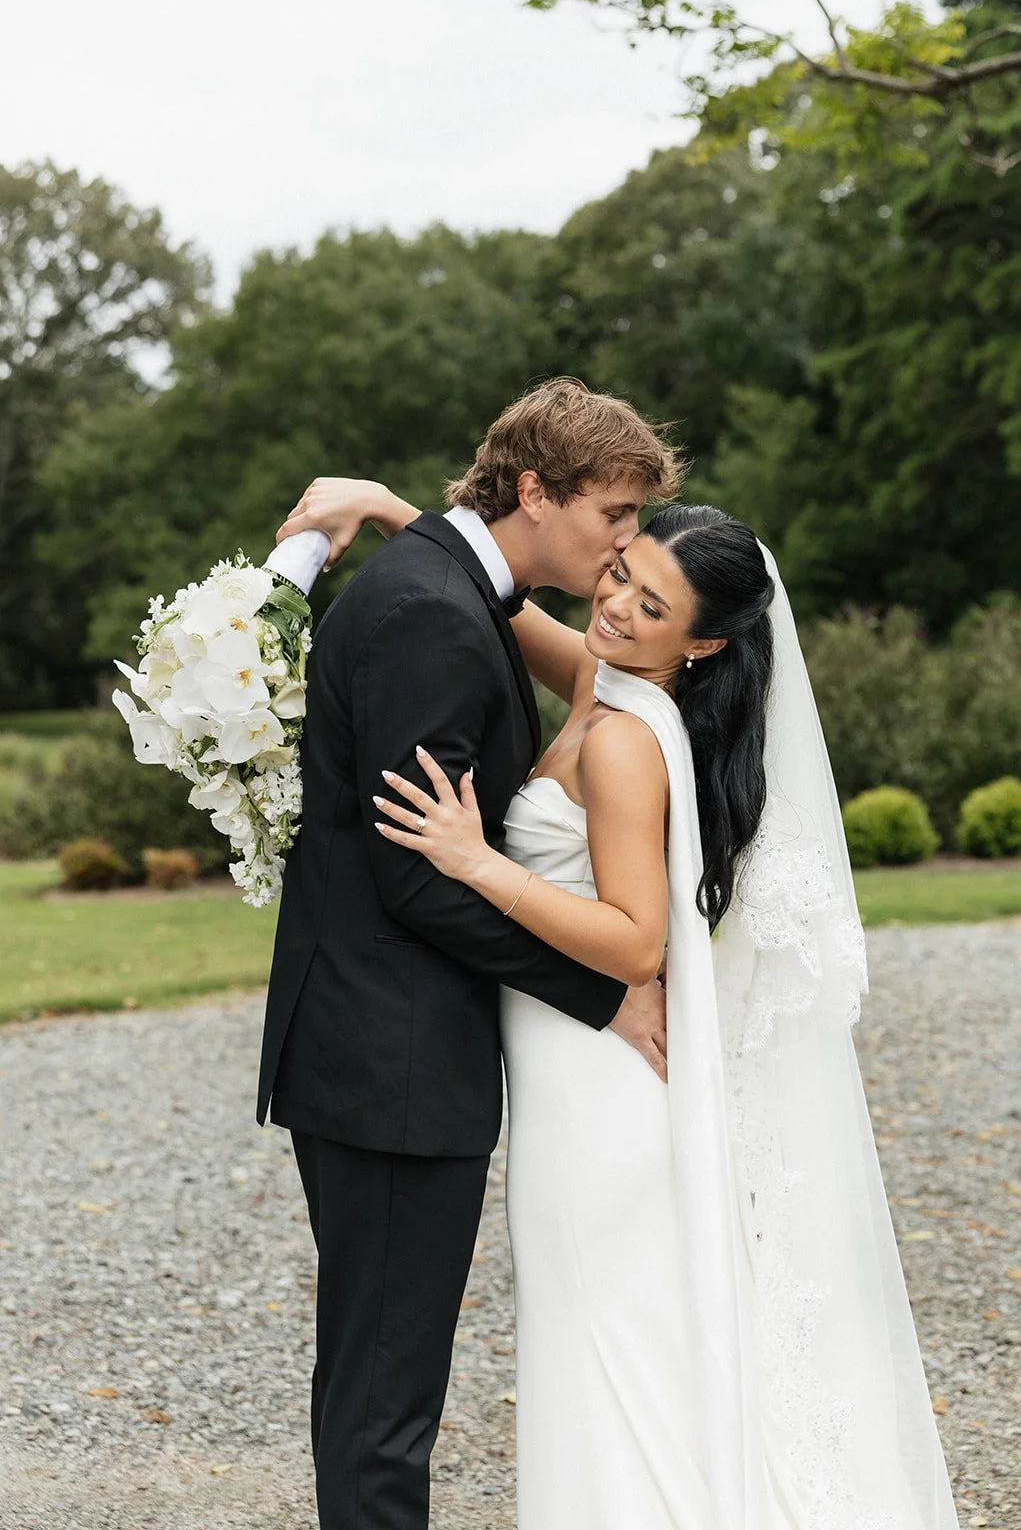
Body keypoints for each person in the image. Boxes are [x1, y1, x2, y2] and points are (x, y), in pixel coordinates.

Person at [283, 479, 961, 1529]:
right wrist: (388, 510)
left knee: (601, 1338)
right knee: (605, 1334)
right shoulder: (611, 675)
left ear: (701, 647)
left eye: (651, 607)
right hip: (570, 1078)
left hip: (596, 1087)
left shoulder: (623, 739)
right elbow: (498, 598)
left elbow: (635, 939)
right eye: (622, 574)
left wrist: (477, 862)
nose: (614, 608)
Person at [257, 377, 683, 1530]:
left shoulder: (450, 588)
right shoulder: (430, 615)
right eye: (613, 516)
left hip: (380, 1048)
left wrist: (396, 509)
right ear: (537, 493)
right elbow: (414, 880)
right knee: (387, 1400)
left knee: (382, 1382)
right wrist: (604, 996)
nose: (624, 545)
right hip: (385, 1059)